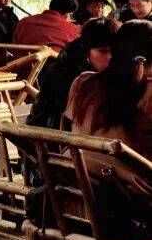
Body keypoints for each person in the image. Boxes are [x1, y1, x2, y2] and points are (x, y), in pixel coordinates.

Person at [62, 20, 152, 162]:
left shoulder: (82, 82)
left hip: (78, 169)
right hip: (125, 175)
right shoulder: (147, 92)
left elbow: (66, 129)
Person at [27, 18, 117, 131]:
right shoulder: (65, 76)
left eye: (115, 51)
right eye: (103, 51)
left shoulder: (117, 73)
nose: (111, 57)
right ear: (86, 53)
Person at [13, 0, 80, 53]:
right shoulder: (73, 30)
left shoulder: (23, 23)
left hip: (22, 62)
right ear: (67, 14)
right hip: (56, 62)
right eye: (71, 16)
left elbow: (14, 48)